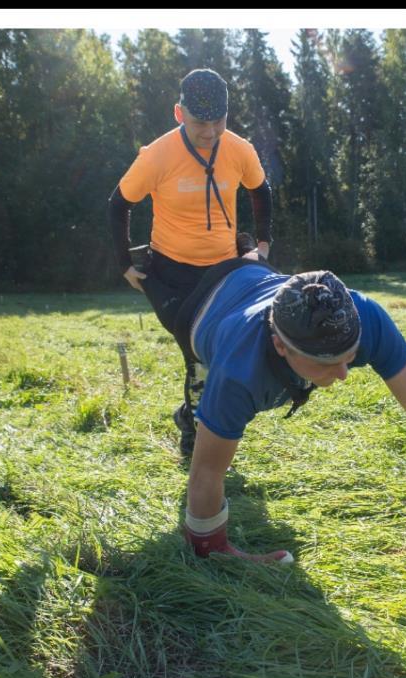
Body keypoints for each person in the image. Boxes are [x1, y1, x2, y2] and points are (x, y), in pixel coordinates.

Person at [174, 258, 406, 604]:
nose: (344, 374)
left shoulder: (364, 316)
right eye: (327, 363)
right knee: (204, 411)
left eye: (351, 355)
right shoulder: (238, 371)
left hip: (256, 274)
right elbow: (206, 472)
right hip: (197, 310)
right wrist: (210, 547)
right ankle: (190, 414)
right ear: (281, 346)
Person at [108, 68, 273, 455]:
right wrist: (124, 264)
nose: (211, 132)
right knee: (198, 353)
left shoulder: (239, 149)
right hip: (173, 272)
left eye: (220, 121)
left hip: (225, 272)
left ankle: (191, 415)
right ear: (179, 114)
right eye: (201, 122)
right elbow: (118, 205)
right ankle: (196, 435)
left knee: (228, 350)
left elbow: (261, 192)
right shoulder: (157, 156)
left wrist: (263, 245)